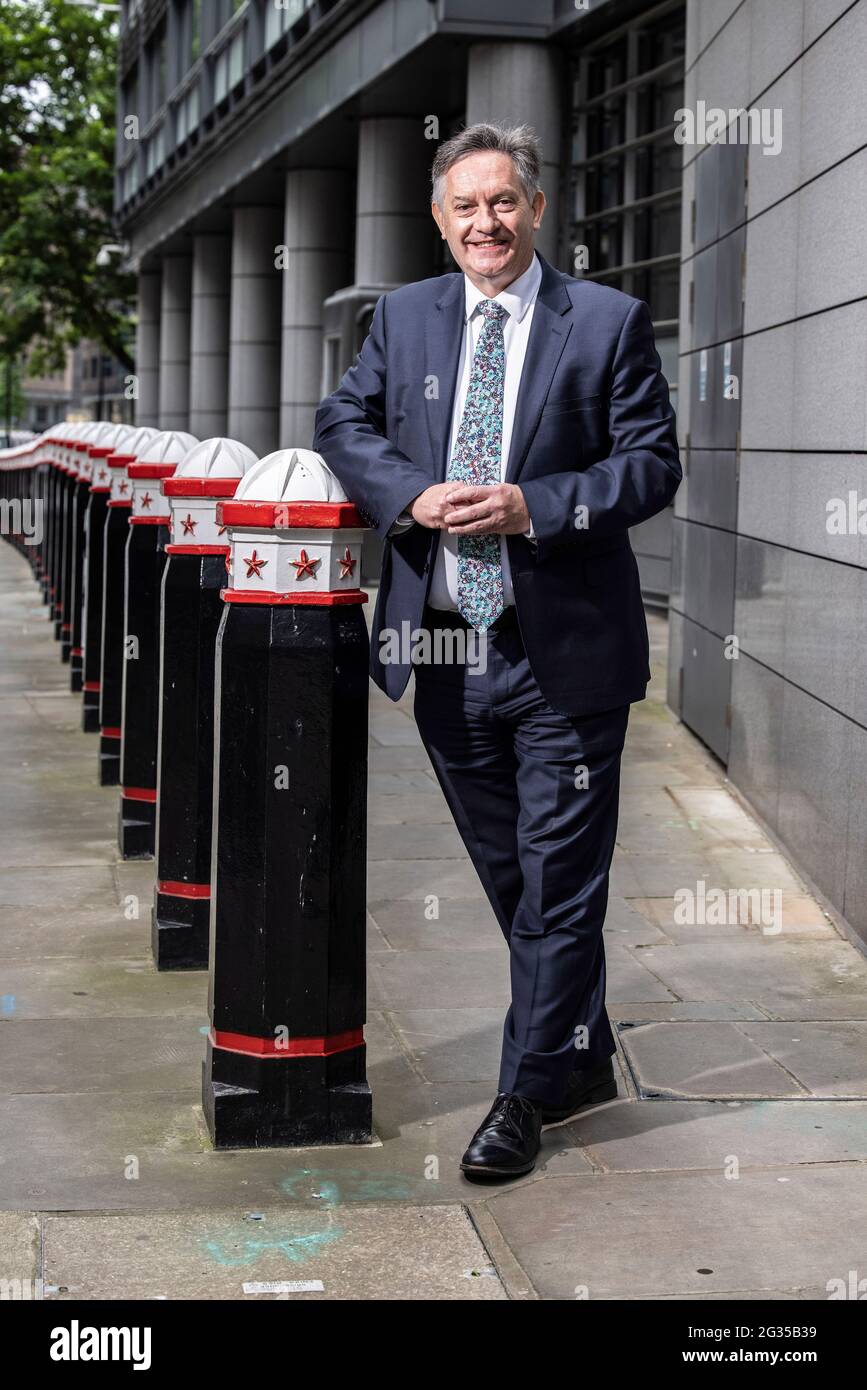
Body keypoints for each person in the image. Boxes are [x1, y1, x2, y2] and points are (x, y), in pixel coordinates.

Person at [313, 122, 681, 1179]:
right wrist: (405, 494)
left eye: (504, 202)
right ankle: (578, 1050)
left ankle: (524, 1097)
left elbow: (651, 466)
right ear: (439, 219)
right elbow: (343, 419)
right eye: (465, 206)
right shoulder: (405, 318)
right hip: (441, 647)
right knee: (518, 881)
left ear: (536, 208)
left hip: (564, 654)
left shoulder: (607, 321)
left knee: (561, 883)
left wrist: (534, 506)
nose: (486, 222)